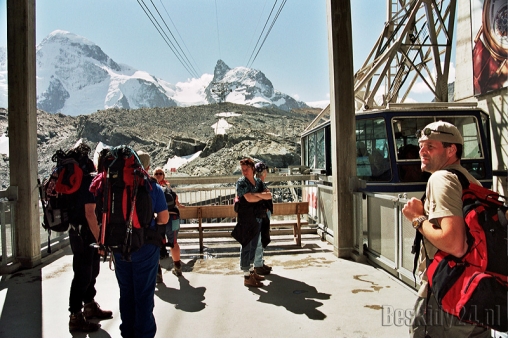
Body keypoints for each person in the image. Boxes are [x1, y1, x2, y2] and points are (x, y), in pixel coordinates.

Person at [402, 121, 489, 338]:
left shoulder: (441, 179)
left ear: (451, 150)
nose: (422, 150)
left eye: (430, 146)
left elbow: (455, 244)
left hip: (448, 296)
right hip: (475, 292)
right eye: (422, 145)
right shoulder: (469, 180)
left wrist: (417, 218)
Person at [113, 150, 169, 337]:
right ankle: (144, 333)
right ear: (147, 167)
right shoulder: (153, 187)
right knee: (144, 294)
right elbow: (163, 219)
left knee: (126, 291)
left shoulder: (115, 185)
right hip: (145, 247)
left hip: (119, 247)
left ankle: (127, 331)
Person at [67, 143, 112, 332]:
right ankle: (75, 316)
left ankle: (90, 306)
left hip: (83, 232)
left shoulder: (90, 179)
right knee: (83, 274)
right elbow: (89, 213)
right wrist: (100, 239)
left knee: (92, 271)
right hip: (83, 234)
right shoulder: (89, 181)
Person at [235, 157, 272, 287]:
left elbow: (269, 195)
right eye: (243, 170)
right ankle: (246, 276)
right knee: (246, 246)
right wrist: (260, 196)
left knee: (254, 246)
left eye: (247, 169)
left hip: (257, 218)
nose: (245, 172)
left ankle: (251, 271)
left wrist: (258, 195)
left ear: (252, 169)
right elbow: (249, 198)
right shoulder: (241, 182)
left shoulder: (257, 182)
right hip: (246, 219)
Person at [153, 167, 185, 282]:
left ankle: (157, 274)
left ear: (163, 175)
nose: (158, 175)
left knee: (155, 245)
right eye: (156, 173)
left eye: (160, 173)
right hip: (174, 217)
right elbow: (175, 200)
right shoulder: (168, 187)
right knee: (174, 243)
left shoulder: (152, 188)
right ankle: (178, 267)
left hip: (158, 219)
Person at [252, 161, 273, 276]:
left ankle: (259, 262)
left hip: (262, 215)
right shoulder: (258, 184)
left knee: (261, 238)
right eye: (265, 171)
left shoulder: (258, 183)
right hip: (260, 216)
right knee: (259, 240)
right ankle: (258, 265)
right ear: (263, 172)